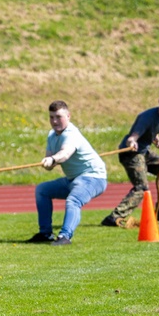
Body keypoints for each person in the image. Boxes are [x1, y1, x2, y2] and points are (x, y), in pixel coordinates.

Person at [27, 101, 108, 246]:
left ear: (68, 116)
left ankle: (65, 237)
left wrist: (53, 159)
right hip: (74, 179)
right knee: (42, 190)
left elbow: (65, 154)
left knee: (73, 200)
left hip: (93, 177)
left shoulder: (71, 134)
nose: (55, 121)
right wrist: (49, 162)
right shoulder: (52, 135)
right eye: (51, 117)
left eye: (59, 117)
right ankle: (45, 233)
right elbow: (50, 166)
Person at [102, 87, 159, 226]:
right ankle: (113, 218)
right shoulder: (146, 117)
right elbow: (133, 137)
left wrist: (157, 139)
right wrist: (132, 142)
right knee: (142, 188)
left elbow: (153, 131)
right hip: (131, 154)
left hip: (145, 153)